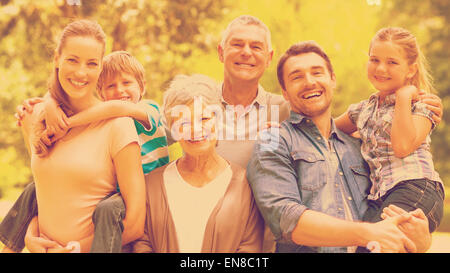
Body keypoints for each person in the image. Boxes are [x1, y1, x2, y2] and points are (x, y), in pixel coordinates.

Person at [246, 40, 432, 253]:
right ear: (285, 92)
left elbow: (390, 217)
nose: (309, 82)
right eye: (297, 77)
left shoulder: (361, 147)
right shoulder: (272, 141)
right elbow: (287, 219)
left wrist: (420, 242)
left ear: (332, 80)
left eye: (317, 73)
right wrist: (369, 233)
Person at [0, 20, 146, 253]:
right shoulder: (34, 117)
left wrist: (72, 248)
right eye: (72, 60)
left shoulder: (118, 127)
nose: (80, 72)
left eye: (91, 63)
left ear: (100, 68)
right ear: (56, 59)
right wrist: (30, 234)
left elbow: (135, 225)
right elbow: (46, 191)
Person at [334, 27, 444, 247]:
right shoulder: (363, 109)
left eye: (392, 62)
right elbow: (324, 130)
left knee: (376, 244)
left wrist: (403, 97)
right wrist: (280, 127)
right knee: (358, 245)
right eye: (374, 59)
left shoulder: (422, 105)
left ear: (411, 69)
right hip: (379, 197)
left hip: (416, 189)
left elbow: (402, 146)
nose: (381, 68)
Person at [132, 74, 264, 253]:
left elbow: (250, 248)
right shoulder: (152, 184)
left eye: (204, 119)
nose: (195, 129)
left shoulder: (245, 185)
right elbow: (142, 243)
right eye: (184, 122)